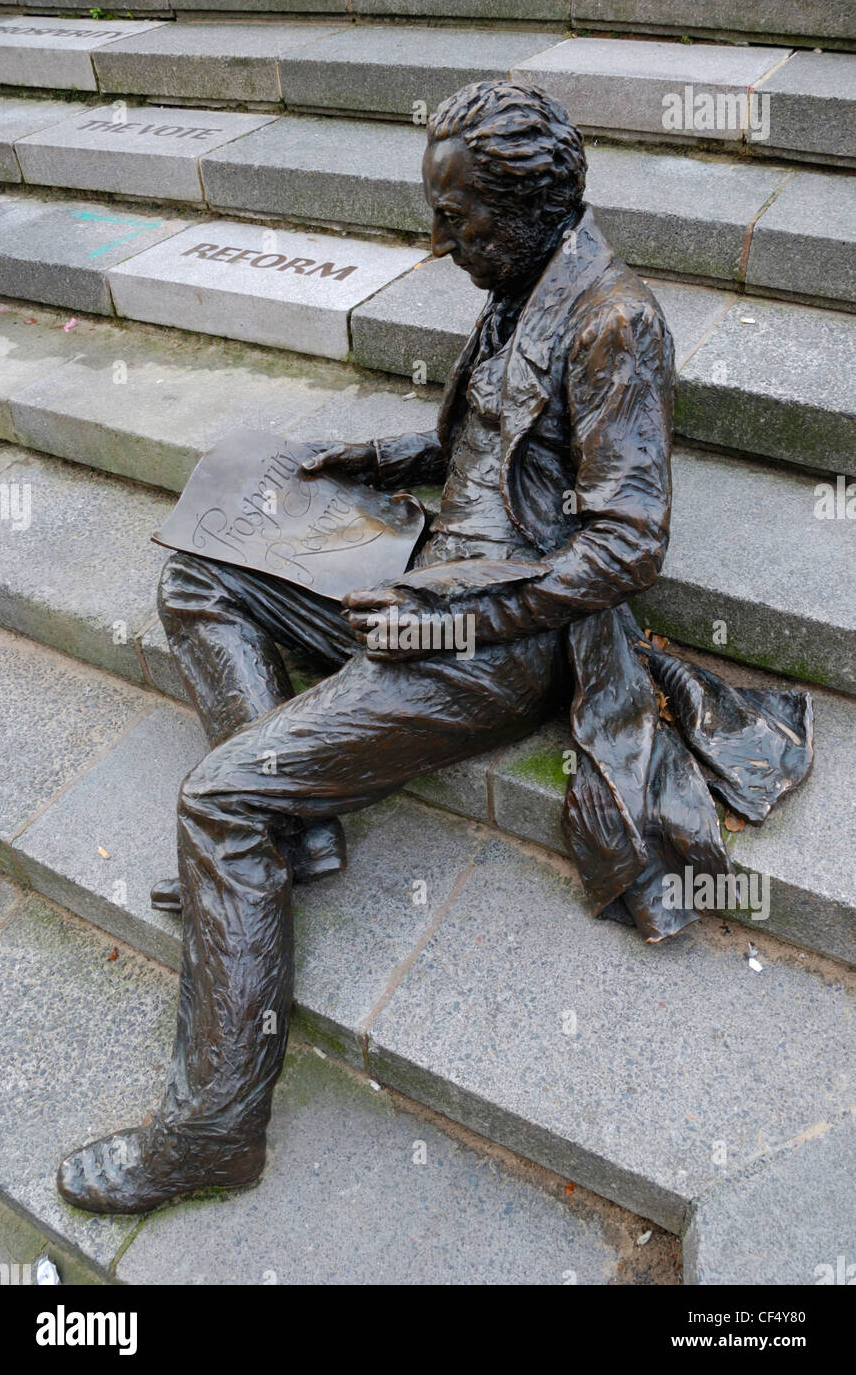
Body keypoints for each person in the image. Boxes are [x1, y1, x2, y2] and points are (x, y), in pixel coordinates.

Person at [57, 80, 812, 1214]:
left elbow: (627, 543)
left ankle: (213, 1126)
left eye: (461, 222)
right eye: (443, 216)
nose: (440, 241)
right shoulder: (519, 282)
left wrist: (453, 618)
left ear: (533, 206)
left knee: (219, 797)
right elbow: (492, 435)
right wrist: (375, 456)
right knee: (198, 569)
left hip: (499, 638)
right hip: (424, 570)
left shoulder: (617, 320)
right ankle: (303, 822)